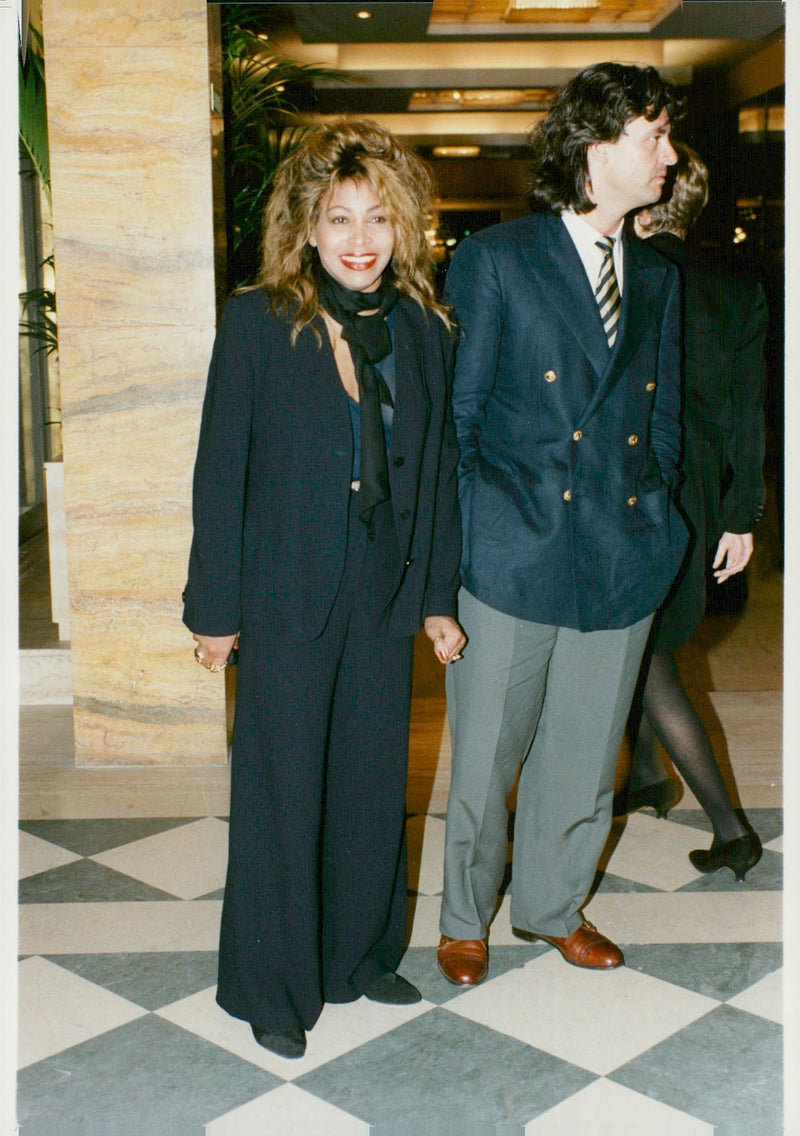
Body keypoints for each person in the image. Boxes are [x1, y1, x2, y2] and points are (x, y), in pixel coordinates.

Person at [183, 119, 465, 1058]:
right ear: (305, 227)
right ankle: (271, 984)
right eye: (339, 216)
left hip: (383, 596)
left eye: (378, 218)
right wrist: (213, 611)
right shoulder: (258, 322)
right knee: (280, 788)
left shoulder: (424, 328)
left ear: (404, 229)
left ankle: (356, 956)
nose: (358, 237)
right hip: (283, 594)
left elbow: (436, 471)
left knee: (372, 781)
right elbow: (222, 469)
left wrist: (436, 598)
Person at [437, 62, 689, 988]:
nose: (668, 154)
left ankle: (550, 906)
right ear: (596, 147)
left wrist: (660, 523)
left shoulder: (657, 276)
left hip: (621, 553)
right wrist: (470, 544)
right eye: (652, 136)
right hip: (512, 552)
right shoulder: (499, 259)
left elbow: (661, 419)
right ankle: (465, 916)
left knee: (586, 761)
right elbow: (457, 422)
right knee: (486, 761)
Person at [615, 142, 766, 881]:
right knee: (650, 641)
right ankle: (645, 774)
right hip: (703, 492)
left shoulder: (631, 277)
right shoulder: (738, 292)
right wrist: (742, 518)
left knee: (643, 650)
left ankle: (730, 825)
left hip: (640, 485)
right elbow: (748, 418)